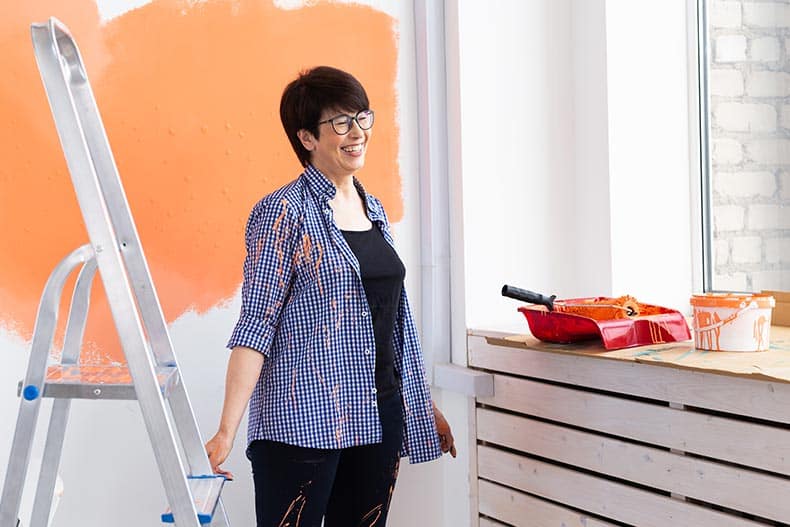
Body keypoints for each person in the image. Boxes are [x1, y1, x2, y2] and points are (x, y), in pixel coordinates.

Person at [204, 65, 455, 527]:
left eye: (362, 117)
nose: (356, 132)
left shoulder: (373, 209)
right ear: (306, 138)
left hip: (378, 417)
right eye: (340, 122)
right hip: (303, 422)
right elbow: (257, 323)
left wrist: (424, 405)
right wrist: (225, 430)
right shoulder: (282, 212)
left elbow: (393, 326)